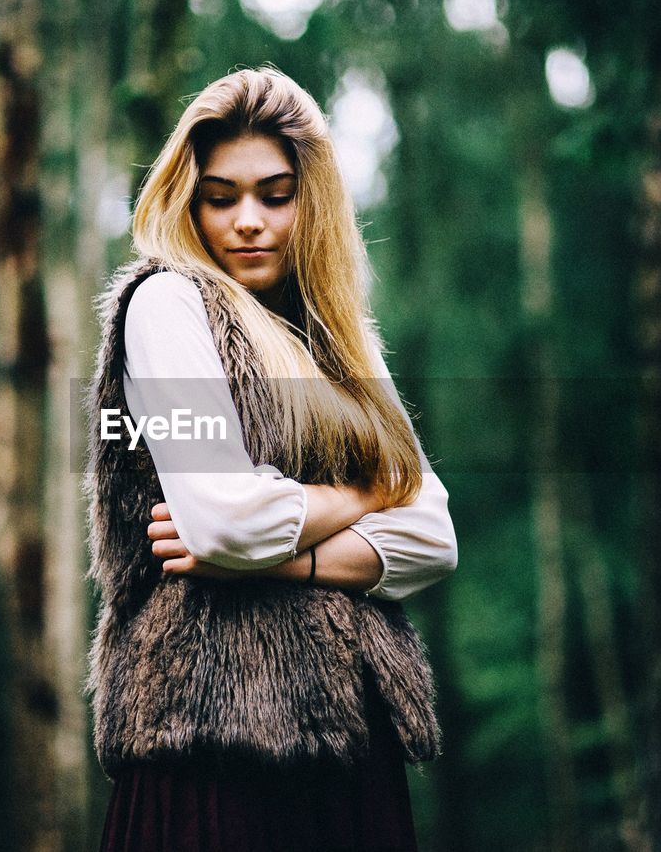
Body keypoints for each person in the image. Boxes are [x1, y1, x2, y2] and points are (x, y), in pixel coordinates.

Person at [84, 66, 459, 852]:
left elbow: (432, 539)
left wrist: (279, 560)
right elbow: (224, 522)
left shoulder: (342, 341)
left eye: (275, 194)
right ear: (187, 200)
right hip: (210, 747)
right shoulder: (166, 304)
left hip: (351, 755)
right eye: (221, 197)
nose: (248, 220)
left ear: (309, 199)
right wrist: (366, 492)